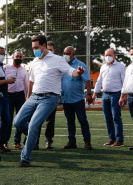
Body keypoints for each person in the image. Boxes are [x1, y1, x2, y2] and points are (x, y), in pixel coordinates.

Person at [13, 35, 86, 167]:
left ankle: (25, 158)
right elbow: (32, 80)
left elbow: (71, 72)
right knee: (17, 122)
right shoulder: (34, 61)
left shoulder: (57, 60)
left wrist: (78, 72)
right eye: (33, 48)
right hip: (34, 96)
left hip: (49, 98)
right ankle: (32, 137)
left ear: (44, 46)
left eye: (36, 47)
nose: (34, 50)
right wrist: (28, 96)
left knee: (34, 125)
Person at [61, 46, 93, 150]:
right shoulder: (63, 65)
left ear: (73, 55)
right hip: (66, 99)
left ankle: (87, 142)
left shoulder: (81, 65)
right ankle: (72, 142)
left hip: (78, 99)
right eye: (64, 53)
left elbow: (87, 80)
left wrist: (89, 94)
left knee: (82, 120)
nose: (65, 55)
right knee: (70, 121)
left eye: (68, 53)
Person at [93, 48, 125, 147]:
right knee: (107, 118)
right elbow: (99, 81)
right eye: (106, 55)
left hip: (116, 94)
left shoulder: (121, 66)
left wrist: (124, 96)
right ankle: (112, 139)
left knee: (116, 117)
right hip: (105, 95)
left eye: (110, 55)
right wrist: (94, 93)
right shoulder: (103, 67)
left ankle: (119, 140)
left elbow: (125, 82)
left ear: (114, 56)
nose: (108, 57)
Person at [4, 50, 28, 150]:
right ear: (12, 57)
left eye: (20, 57)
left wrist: (27, 97)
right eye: (16, 56)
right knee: (7, 120)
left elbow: (26, 84)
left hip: (20, 96)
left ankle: (17, 142)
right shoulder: (6, 68)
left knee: (20, 119)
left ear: (22, 58)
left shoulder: (24, 70)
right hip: (9, 96)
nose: (18, 58)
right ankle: (4, 142)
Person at [37, 41, 57, 149]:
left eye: (50, 49)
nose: (48, 51)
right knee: (37, 119)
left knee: (50, 120)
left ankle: (49, 141)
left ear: (54, 51)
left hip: (51, 96)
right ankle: (35, 142)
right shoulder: (38, 61)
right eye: (46, 49)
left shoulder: (57, 62)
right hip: (39, 95)